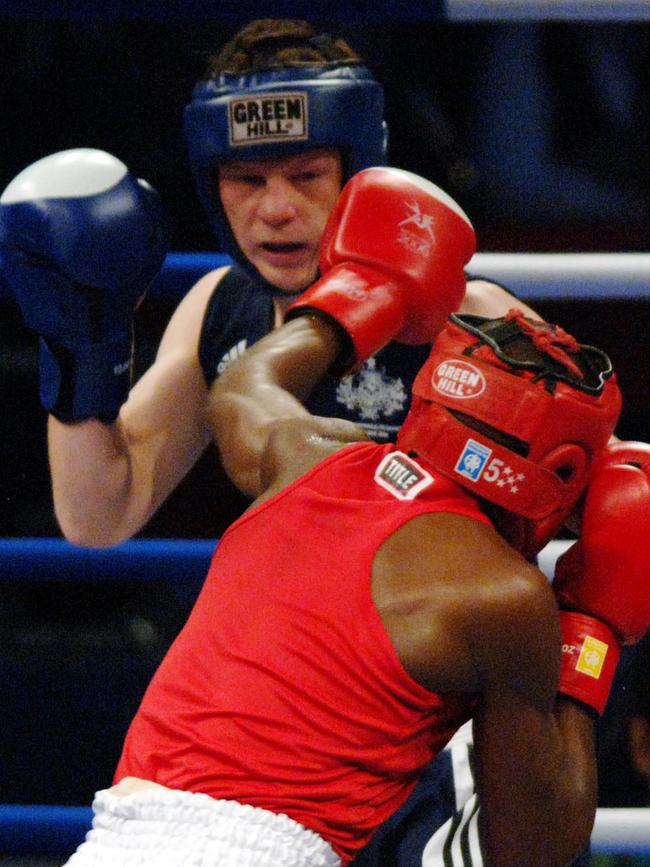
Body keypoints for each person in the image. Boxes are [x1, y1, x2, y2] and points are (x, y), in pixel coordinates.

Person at [60, 299, 650, 867]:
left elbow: (241, 386)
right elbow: (535, 849)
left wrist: (355, 300)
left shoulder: (307, 458)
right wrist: (593, 623)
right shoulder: (503, 599)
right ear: (567, 472)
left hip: (118, 836)